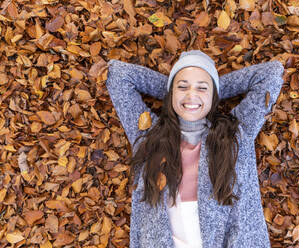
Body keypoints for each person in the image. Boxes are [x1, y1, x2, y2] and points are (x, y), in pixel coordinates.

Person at [106, 50, 284, 248]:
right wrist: (177, 91)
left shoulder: (236, 135)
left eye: (201, 88)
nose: (191, 95)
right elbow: (118, 75)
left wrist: (211, 91)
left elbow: (272, 74)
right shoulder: (148, 136)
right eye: (183, 87)